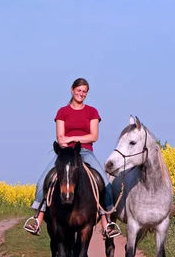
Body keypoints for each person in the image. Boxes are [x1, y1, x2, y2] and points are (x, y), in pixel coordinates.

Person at [23, 78, 121, 239]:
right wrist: (70, 141)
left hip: (85, 152)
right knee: (42, 182)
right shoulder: (62, 112)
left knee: (105, 183)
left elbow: (94, 136)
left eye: (84, 92)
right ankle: (37, 219)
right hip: (65, 154)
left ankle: (107, 222)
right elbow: (60, 138)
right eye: (79, 90)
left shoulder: (92, 112)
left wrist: (72, 138)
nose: (81, 94)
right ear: (72, 90)